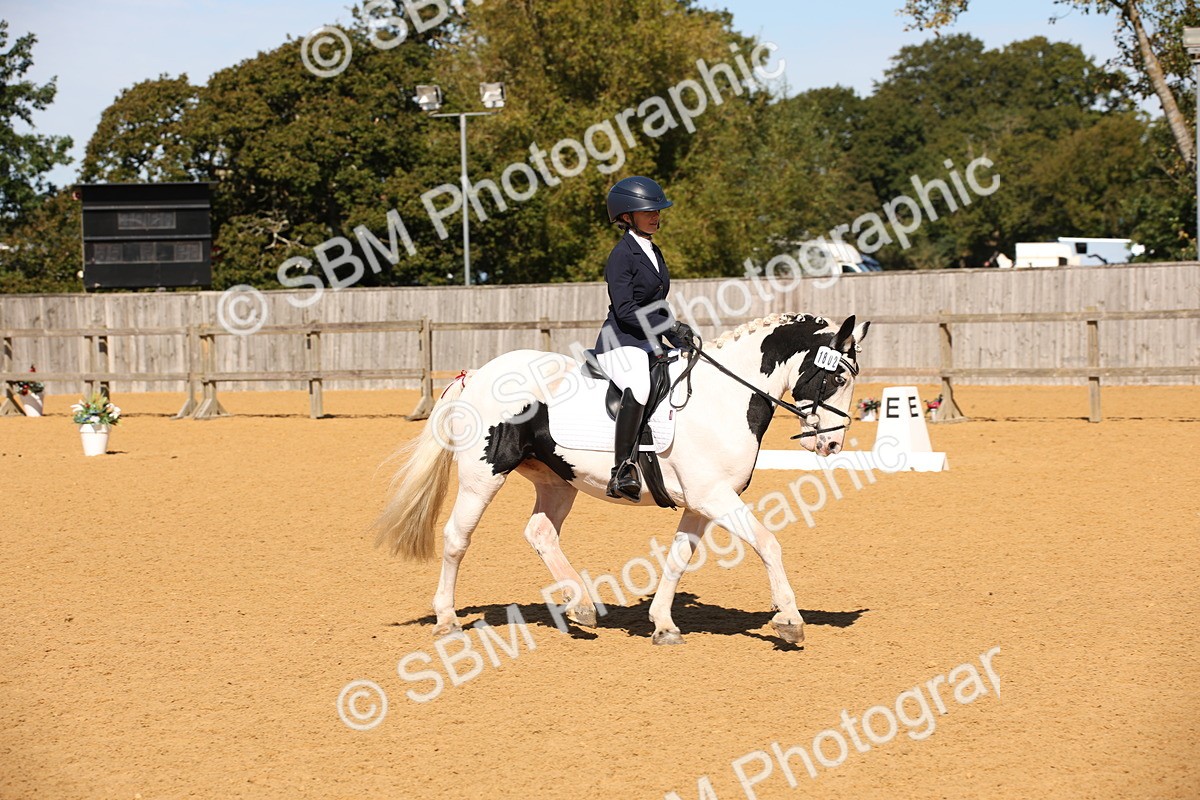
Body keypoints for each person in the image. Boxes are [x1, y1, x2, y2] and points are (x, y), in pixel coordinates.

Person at [595, 176, 695, 502]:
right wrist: (668, 328)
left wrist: (676, 335)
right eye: (647, 210)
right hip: (621, 340)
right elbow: (625, 309)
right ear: (626, 215)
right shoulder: (621, 256)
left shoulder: (654, 251)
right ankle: (621, 469)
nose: (656, 215)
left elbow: (657, 305)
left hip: (648, 339)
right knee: (639, 385)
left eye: (657, 209)